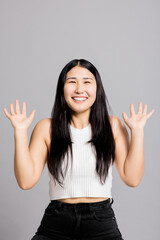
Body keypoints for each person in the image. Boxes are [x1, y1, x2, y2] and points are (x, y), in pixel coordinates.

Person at [4, 59, 154, 240]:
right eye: (72, 82)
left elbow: (132, 178)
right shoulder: (46, 128)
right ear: (62, 89)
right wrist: (20, 133)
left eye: (87, 82)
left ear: (97, 89)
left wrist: (137, 132)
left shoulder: (112, 126)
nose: (79, 89)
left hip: (101, 222)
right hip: (56, 222)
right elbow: (25, 181)